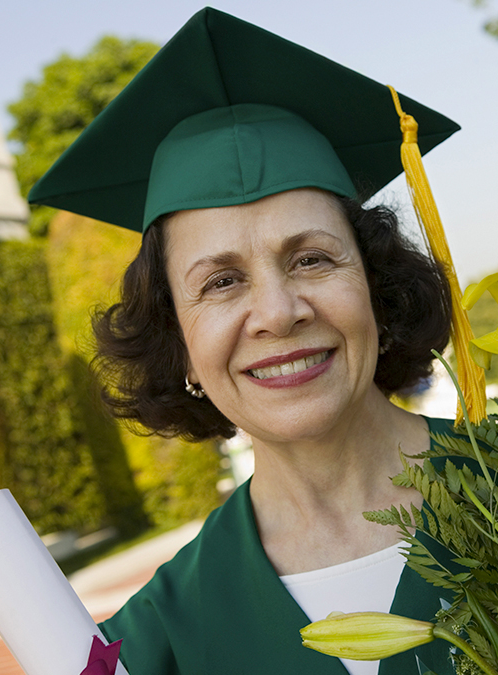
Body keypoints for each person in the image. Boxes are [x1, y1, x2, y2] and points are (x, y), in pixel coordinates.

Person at [29, 8, 469, 675]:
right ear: (177, 343)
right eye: (223, 281)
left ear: (377, 287)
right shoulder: (151, 643)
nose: (277, 311)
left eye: (312, 259)